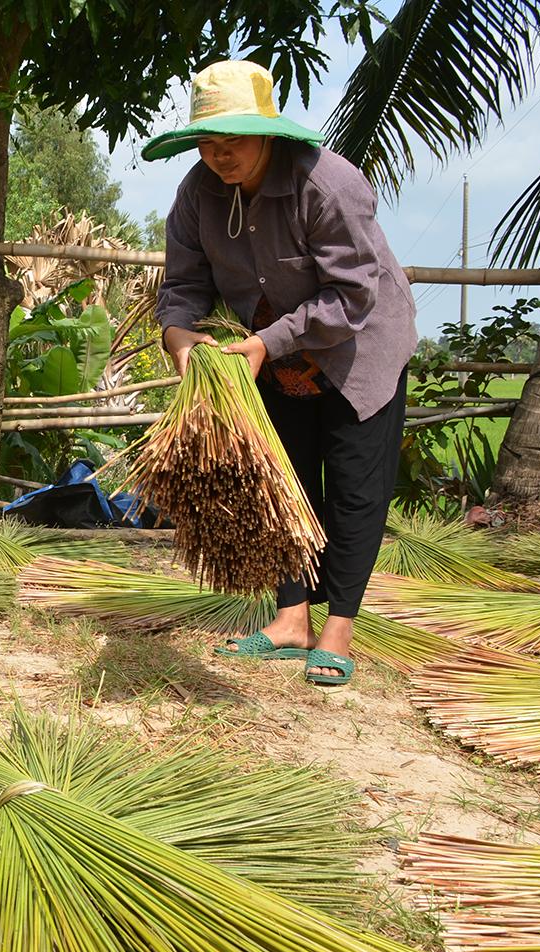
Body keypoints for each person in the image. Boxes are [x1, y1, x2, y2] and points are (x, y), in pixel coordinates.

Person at [143, 59, 417, 686]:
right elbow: (183, 287)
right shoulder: (197, 194)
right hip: (271, 355)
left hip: (359, 350)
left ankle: (338, 631)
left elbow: (354, 295)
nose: (220, 154)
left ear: (266, 132)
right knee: (282, 483)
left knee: (354, 486)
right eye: (207, 141)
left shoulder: (326, 184)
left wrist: (272, 340)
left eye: (233, 139)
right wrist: (179, 336)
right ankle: (290, 618)